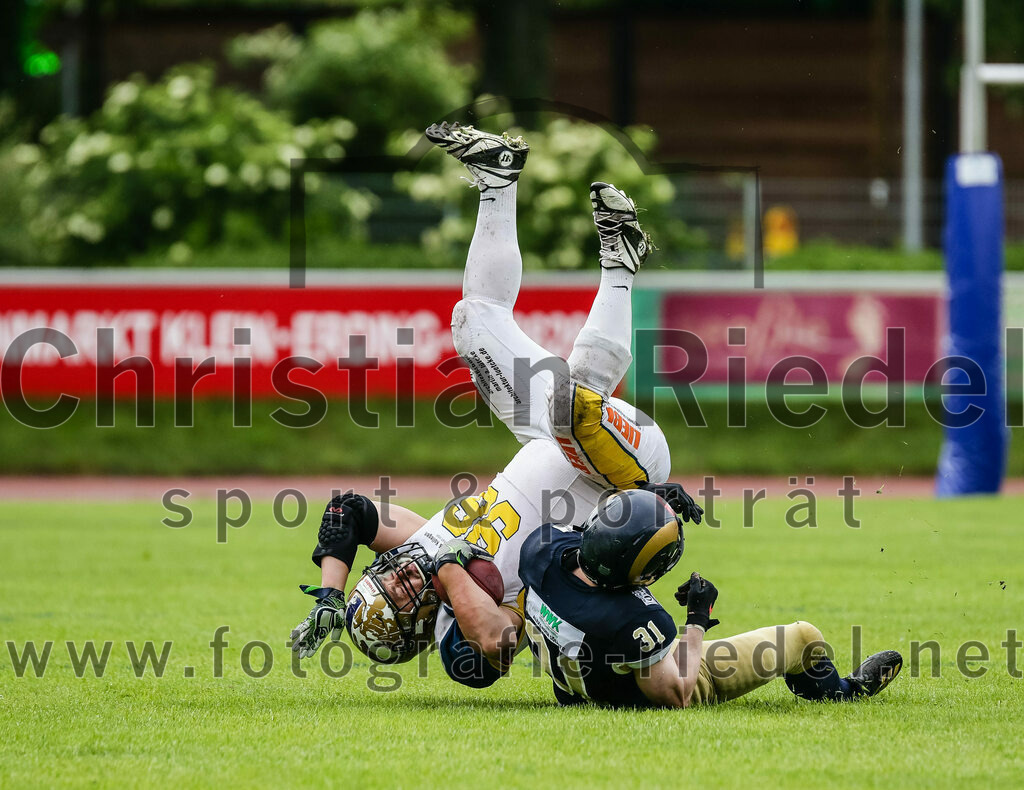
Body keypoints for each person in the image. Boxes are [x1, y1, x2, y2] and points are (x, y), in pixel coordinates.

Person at [288, 122, 702, 688]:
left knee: (475, 323)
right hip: (620, 483)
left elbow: (349, 510)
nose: (401, 579)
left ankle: (499, 180)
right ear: (418, 625)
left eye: (385, 581)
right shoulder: (457, 632)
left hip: (552, 438)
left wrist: (331, 596)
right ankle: (619, 270)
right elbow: (495, 649)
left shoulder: (421, 543)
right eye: (403, 598)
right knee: (574, 406)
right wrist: (448, 575)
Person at [518, 488, 903, 708]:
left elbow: (597, 536)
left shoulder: (542, 548)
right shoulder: (633, 620)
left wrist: (648, 502)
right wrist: (698, 618)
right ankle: (846, 692)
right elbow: (677, 692)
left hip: (580, 684)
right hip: (636, 687)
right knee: (803, 637)